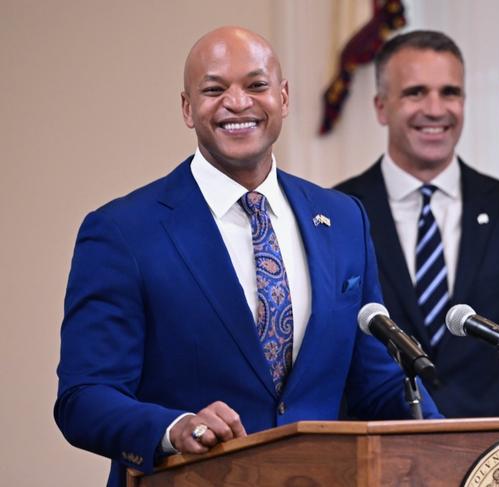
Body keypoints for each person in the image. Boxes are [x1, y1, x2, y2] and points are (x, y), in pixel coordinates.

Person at [54, 26, 441, 487]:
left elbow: (377, 382)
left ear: (283, 97)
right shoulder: (122, 231)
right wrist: (173, 428)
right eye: (214, 89)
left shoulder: (343, 220)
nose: (238, 103)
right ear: (186, 108)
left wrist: (452, 451)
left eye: (256, 86)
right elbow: (84, 396)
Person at [335, 30, 499, 417]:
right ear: (381, 106)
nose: (435, 109)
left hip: (488, 455)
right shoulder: (334, 215)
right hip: (377, 451)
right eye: (415, 92)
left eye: (450, 92)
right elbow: (331, 350)